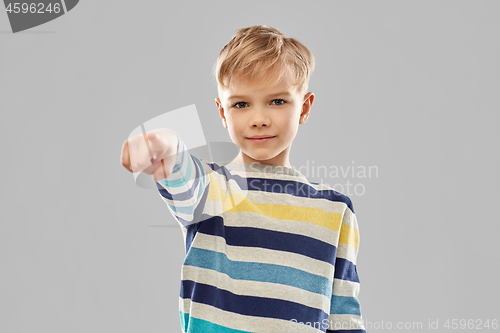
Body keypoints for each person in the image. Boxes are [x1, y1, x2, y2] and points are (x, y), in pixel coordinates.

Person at [121, 25, 367, 333]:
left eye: (277, 101)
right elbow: (180, 174)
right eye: (241, 104)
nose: (259, 118)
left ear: (304, 107)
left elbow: (344, 318)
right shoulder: (210, 187)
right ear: (222, 113)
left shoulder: (335, 210)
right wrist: (166, 145)